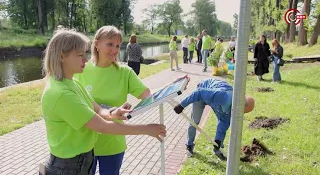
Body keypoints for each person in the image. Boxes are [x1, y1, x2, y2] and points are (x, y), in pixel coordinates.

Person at [41, 29, 167, 175]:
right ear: (62, 55)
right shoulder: (60, 93)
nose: (85, 59)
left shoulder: (73, 83)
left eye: (85, 54)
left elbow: (98, 109)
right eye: (80, 55)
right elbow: (102, 127)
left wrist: (113, 112)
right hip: (69, 166)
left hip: (82, 160)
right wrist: (146, 129)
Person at [74, 26, 186, 175]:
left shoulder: (125, 72)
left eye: (117, 45)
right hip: (85, 145)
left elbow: (149, 95)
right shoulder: (81, 70)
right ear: (97, 43)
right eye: (110, 44)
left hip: (113, 144)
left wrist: (171, 86)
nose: (114, 50)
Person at [173, 78, 255, 158]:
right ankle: (189, 145)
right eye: (241, 111)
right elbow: (199, 93)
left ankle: (217, 150)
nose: (240, 114)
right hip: (202, 93)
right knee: (195, 122)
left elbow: (223, 125)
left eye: (243, 113)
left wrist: (218, 141)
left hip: (214, 101)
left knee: (220, 130)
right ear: (239, 103)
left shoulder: (231, 111)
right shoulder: (223, 96)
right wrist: (182, 105)